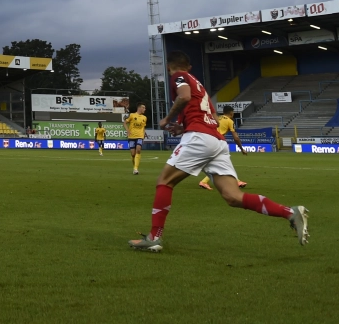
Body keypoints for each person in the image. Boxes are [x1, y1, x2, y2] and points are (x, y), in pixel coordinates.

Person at [128, 52, 308, 253]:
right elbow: (212, 116)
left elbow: (184, 96)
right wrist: (181, 126)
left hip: (200, 138)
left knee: (164, 182)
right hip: (216, 141)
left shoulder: (178, 77)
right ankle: (289, 213)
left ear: (170, 67)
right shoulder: (200, 86)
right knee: (233, 196)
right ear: (189, 66)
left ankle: (154, 237)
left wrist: (166, 119)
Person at [199, 106, 248, 190]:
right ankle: (204, 182)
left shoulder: (216, 118)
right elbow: (236, 137)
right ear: (231, 113)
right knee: (223, 162)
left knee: (219, 162)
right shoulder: (230, 121)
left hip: (207, 139)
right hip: (217, 142)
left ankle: (237, 181)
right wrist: (241, 148)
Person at [123, 104, 147, 174]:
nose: (144, 109)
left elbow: (143, 127)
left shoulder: (144, 117)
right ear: (139, 108)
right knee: (133, 154)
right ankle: (134, 167)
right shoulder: (132, 115)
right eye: (143, 108)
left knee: (138, 150)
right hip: (132, 136)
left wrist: (144, 134)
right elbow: (124, 123)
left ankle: (136, 168)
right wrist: (127, 130)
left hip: (140, 136)